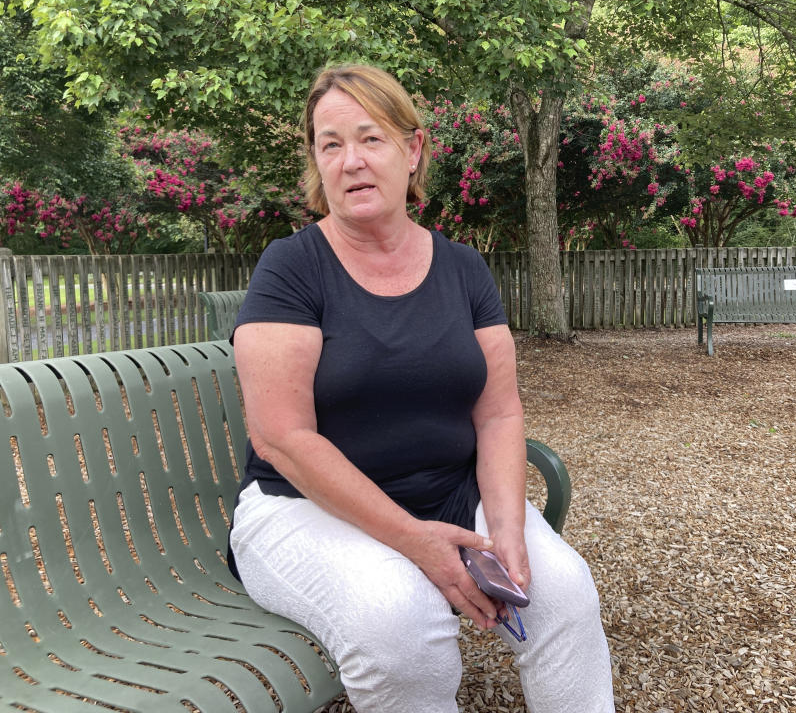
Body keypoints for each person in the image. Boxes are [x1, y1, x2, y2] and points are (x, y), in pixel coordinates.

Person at [228, 63, 615, 713]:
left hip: (451, 495)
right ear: (316, 162)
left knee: (565, 591)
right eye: (331, 144)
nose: (350, 161)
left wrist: (512, 533)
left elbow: (497, 414)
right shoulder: (291, 268)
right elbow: (281, 436)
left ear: (413, 150)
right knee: (401, 623)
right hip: (301, 510)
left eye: (370, 138)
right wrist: (412, 539)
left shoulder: (463, 268)